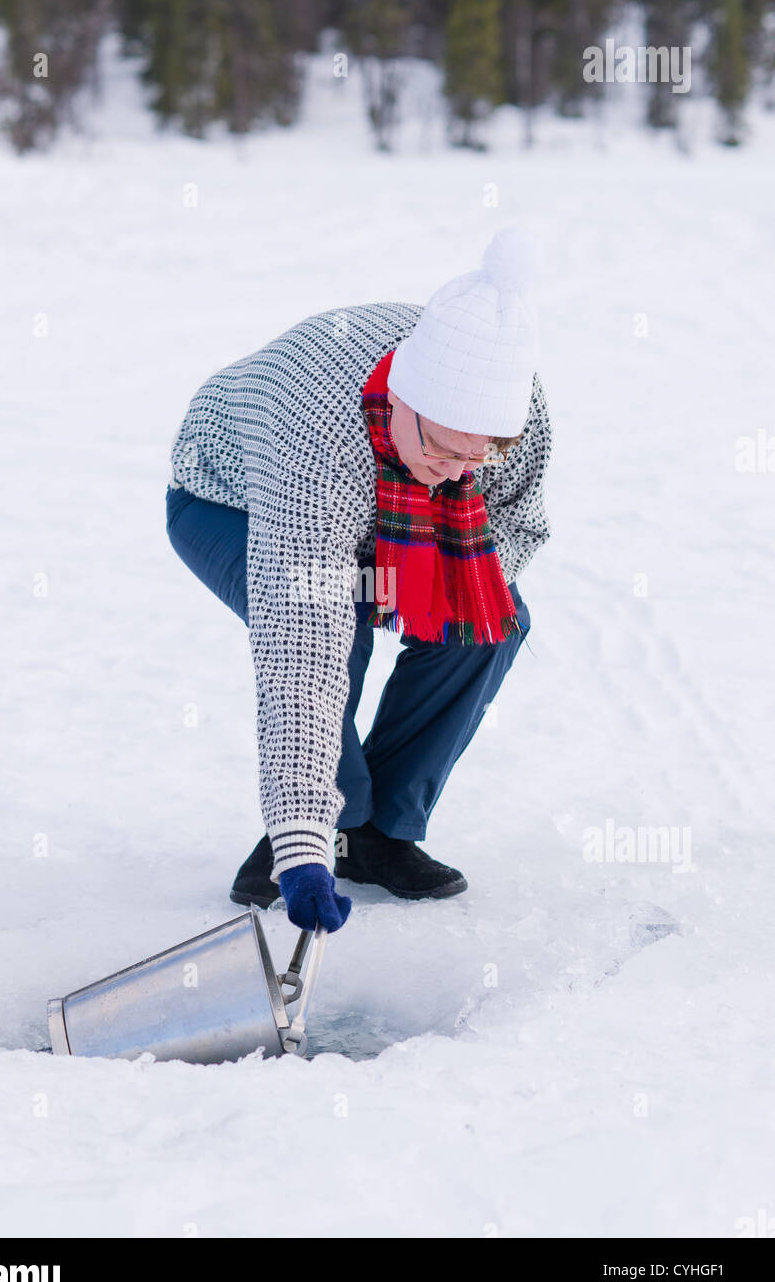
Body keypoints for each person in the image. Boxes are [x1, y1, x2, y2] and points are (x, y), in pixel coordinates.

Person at [166, 228, 552, 935]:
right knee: (332, 610)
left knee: (491, 620)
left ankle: (381, 834)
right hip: (229, 501)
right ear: (404, 400)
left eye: (479, 454)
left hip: (390, 517)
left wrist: (441, 591)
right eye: (440, 446)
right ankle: (328, 829)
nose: (459, 469)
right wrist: (302, 838)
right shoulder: (320, 436)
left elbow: (517, 529)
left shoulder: (509, 418)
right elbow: (301, 653)